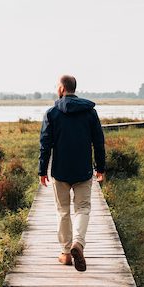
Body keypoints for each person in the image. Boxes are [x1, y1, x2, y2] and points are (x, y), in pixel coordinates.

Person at [38, 74, 106, 272]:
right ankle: (78, 243)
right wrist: (100, 168)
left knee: (63, 211)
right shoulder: (90, 112)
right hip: (83, 170)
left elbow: (45, 145)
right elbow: (98, 143)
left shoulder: (52, 113)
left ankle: (66, 253)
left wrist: (42, 170)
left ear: (61, 88)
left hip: (60, 171)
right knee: (83, 208)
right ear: (74, 89)